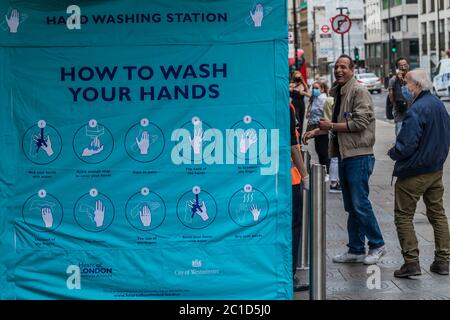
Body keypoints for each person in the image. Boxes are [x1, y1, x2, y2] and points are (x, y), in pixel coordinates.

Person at [317, 55, 386, 265]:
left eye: (343, 67)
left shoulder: (359, 90)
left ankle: (377, 244)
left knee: (359, 203)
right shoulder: (338, 92)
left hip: (359, 155)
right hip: (345, 155)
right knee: (351, 205)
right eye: (337, 67)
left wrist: (331, 126)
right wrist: (317, 132)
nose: (339, 70)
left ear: (352, 69)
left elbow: (360, 122)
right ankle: (356, 248)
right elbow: (336, 123)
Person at [388, 69, 450, 277]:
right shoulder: (438, 105)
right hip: (435, 169)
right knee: (437, 214)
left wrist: (393, 152)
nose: (404, 87)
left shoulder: (417, 109)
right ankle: (443, 261)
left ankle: (411, 262)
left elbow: (406, 145)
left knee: (403, 216)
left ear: (416, 85)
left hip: (414, 171)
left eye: (406, 83)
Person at [290, 103, 310, 291]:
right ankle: (290, 273)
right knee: (294, 227)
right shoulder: (286, 106)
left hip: (271, 180)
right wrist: (305, 175)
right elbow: (293, 147)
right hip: (290, 179)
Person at [304, 81, 330, 174]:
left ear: (322, 89)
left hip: (323, 129)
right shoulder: (315, 98)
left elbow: (327, 115)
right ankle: (324, 172)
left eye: (317, 88)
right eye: (313, 88)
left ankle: (327, 173)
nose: (314, 90)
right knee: (319, 151)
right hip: (317, 128)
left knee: (324, 152)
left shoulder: (324, 99)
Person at [388, 57, 412, 136]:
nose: (404, 67)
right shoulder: (393, 80)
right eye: (401, 66)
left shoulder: (412, 78)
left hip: (412, 113)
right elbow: (391, 99)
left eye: (405, 65)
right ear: (397, 68)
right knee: (400, 136)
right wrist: (399, 81)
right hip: (400, 114)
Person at [289, 71, 310, 138]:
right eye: (297, 77)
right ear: (294, 77)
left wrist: (303, 81)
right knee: (297, 122)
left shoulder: (303, 84)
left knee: (302, 122)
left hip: (301, 104)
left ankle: (300, 142)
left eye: (299, 77)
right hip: (294, 104)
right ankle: (296, 139)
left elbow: (309, 94)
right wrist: (294, 88)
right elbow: (288, 91)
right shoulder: (292, 84)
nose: (298, 78)